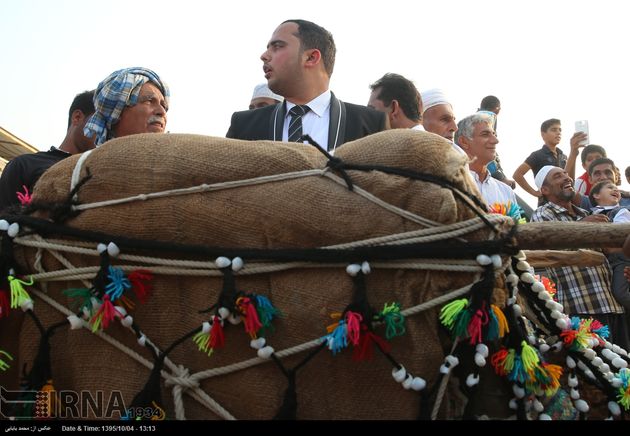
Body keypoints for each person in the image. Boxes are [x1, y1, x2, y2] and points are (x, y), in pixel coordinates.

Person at [226, 19, 387, 153]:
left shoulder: (371, 125)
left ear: (311, 57)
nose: (264, 56)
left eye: (277, 46)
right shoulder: (243, 125)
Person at [531, 166, 629, 350]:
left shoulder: (586, 214)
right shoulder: (542, 214)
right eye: (558, 176)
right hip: (581, 308)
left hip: (613, 305)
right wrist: (583, 226)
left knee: (624, 371)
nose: (567, 178)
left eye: (566, 174)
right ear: (545, 190)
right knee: (596, 374)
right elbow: (548, 246)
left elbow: (609, 252)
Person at [0, 90, 96, 212]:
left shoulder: (102, 175)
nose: (106, 133)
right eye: (101, 122)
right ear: (77, 117)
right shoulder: (25, 165)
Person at [455, 112, 521, 221]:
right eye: (485, 134)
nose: (495, 140)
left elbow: (518, 230)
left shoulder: (505, 191)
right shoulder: (451, 186)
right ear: (464, 142)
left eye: (494, 134)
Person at [83, 67, 170, 146]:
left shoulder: (176, 160)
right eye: (149, 101)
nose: (162, 112)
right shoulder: (91, 162)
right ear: (118, 112)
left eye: (163, 105)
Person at [513, 118, 584, 206]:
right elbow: (517, 175)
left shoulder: (563, 156)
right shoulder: (537, 155)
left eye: (560, 130)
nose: (558, 133)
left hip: (565, 201)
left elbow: (570, 178)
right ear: (543, 134)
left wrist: (574, 155)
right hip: (547, 204)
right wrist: (534, 193)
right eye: (554, 130)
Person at [588, 180, 630, 322]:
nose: (615, 190)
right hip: (606, 264)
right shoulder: (589, 215)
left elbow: (619, 233)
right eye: (610, 187)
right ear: (596, 195)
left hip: (621, 260)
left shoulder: (621, 211)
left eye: (617, 188)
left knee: (620, 293)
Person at [477, 95, 515, 189]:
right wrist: (501, 177)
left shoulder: (469, 122)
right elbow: (483, 151)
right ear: (498, 109)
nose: (495, 140)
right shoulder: (489, 117)